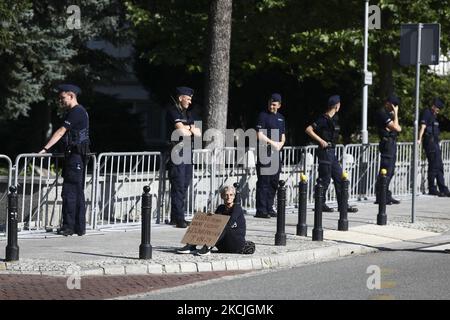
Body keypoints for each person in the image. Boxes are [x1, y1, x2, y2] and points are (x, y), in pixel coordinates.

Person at [39, 84, 90, 236]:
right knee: (77, 192)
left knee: (69, 192)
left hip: (75, 157)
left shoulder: (76, 112)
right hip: (76, 157)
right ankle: (78, 227)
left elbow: (61, 131)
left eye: (62, 98)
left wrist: (46, 149)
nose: (60, 101)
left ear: (71, 96)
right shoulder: (79, 112)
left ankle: (69, 227)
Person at [305, 95, 358, 213]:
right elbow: (308, 129)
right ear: (336, 106)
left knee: (340, 178)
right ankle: (320, 204)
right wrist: (321, 141)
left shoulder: (335, 119)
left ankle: (343, 205)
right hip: (324, 151)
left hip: (332, 152)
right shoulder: (322, 119)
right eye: (339, 105)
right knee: (325, 179)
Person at [177, 185, 255, 256]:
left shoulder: (237, 208)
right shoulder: (221, 207)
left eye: (231, 195)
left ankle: (208, 246)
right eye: (226, 195)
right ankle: (191, 245)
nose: (228, 197)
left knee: (224, 225)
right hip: (223, 245)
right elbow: (214, 223)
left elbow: (229, 223)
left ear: (234, 197)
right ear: (222, 196)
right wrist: (210, 217)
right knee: (205, 221)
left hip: (235, 243)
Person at [166, 86, 201, 228]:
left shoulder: (187, 114)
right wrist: (189, 129)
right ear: (181, 98)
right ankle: (178, 218)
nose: (190, 101)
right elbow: (183, 132)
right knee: (178, 185)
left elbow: (198, 132)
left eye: (191, 99)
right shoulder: (173, 111)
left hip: (187, 152)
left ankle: (177, 217)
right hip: (177, 152)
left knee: (185, 184)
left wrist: (188, 129)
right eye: (188, 98)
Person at [254, 93, 286, 219]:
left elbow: (283, 135)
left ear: (279, 105)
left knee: (274, 181)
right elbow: (259, 134)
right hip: (265, 151)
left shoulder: (281, 118)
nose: (271, 106)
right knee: (264, 182)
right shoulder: (263, 115)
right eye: (270, 104)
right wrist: (273, 143)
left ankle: (269, 207)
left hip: (276, 153)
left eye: (274, 104)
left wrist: (281, 144)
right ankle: (261, 210)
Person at [418, 97, 450, 197]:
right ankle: (432, 188)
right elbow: (422, 126)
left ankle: (443, 188)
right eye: (437, 108)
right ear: (434, 106)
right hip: (429, 141)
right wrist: (419, 139)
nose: (438, 110)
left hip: (435, 142)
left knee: (439, 165)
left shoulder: (435, 116)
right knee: (433, 165)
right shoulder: (427, 113)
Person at [374, 95, 402, 205]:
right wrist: (395, 114)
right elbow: (395, 127)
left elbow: (398, 128)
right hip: (386, 143)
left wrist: (395, 115)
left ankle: (386, 195)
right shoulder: (382, 113)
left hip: (391, 143)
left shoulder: (390, 114)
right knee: (385, 170)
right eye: (393, 105)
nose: (393, 108)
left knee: (390, 171)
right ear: (388, 103)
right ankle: (381, 196)